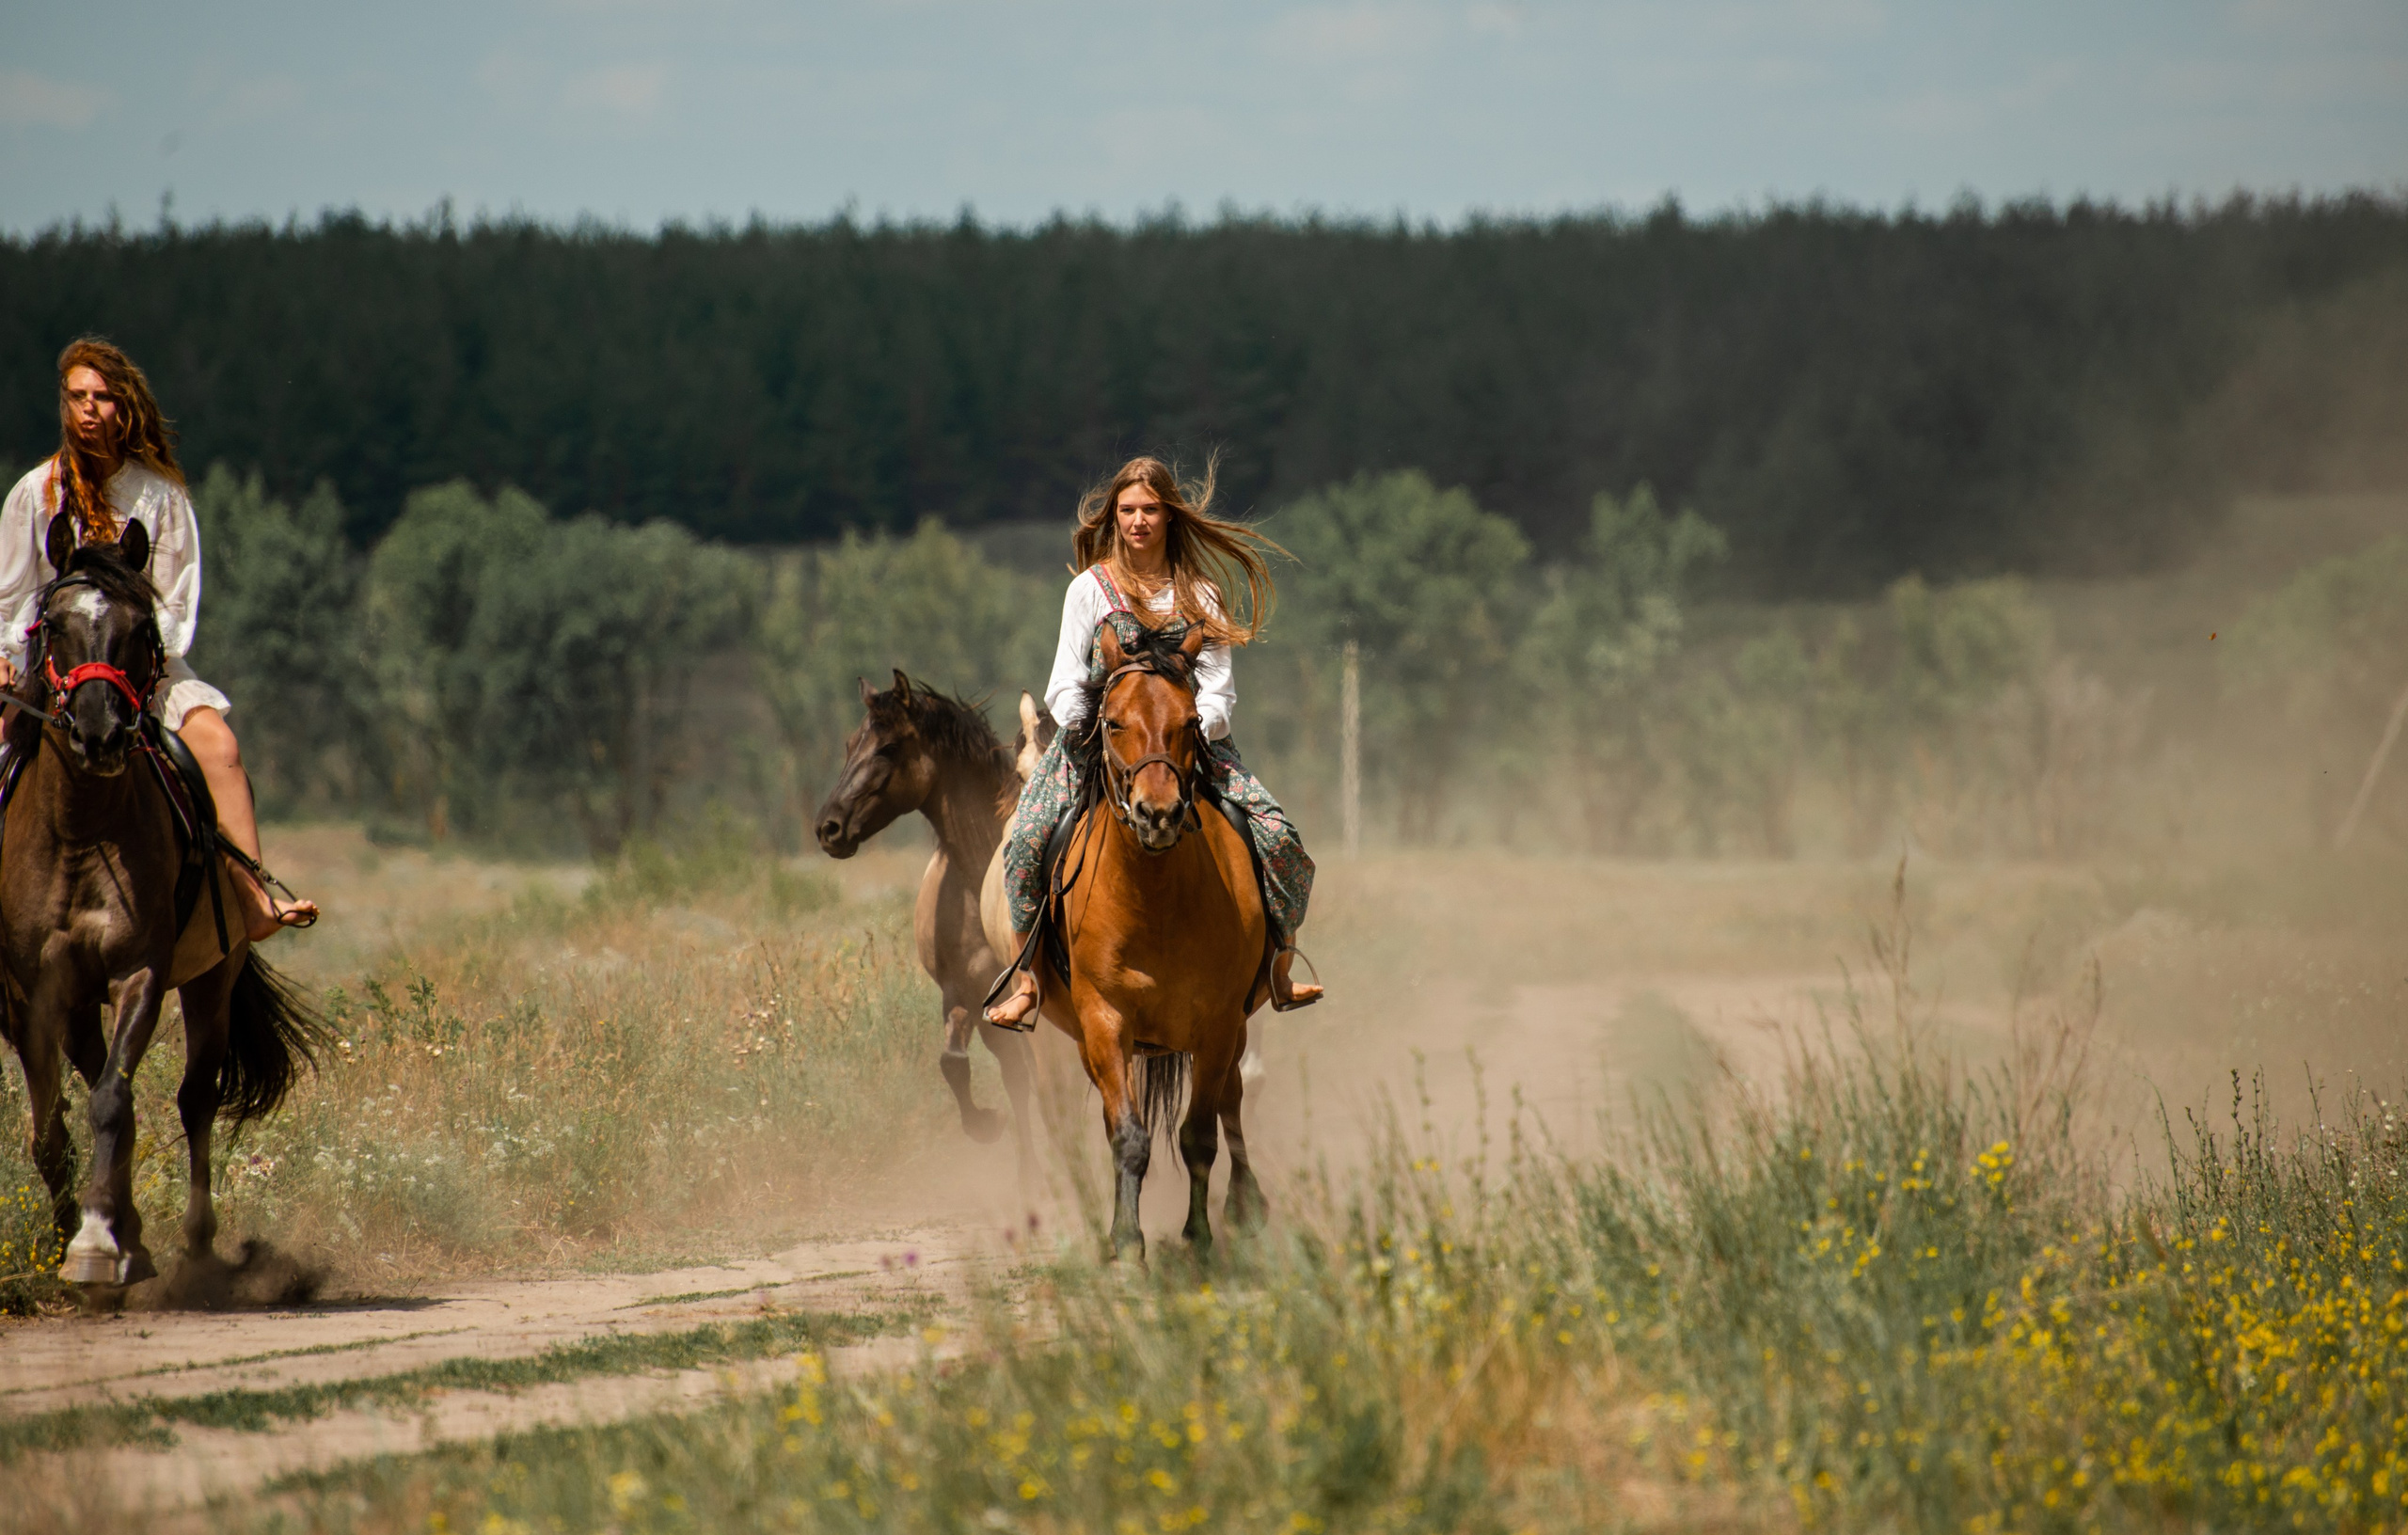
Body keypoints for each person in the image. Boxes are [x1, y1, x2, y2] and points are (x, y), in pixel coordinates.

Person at [0, 337, 318, 942]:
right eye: (77, 397)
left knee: (220, 749)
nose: (89, 409)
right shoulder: (32, 494)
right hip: (52, 674)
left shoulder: (161, 496)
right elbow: (9, 594)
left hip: (144, 667)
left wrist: (128, 663)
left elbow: (176, 604)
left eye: (102, 398)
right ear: (63, 405)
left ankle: (253, 902)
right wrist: (5, 658)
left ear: (124, 407)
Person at [985, 454, 1321, 1026]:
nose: (1138, 520)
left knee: (1281, 842)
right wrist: (1093, 723)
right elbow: (1063, 682)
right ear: (1113, 518)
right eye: (1127, 510)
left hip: (1188, 746)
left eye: (1149, 509)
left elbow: (1219, 693)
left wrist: (1185, 726)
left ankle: (1278, 973)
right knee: (1028, 842)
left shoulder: (1202, 595)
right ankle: (1028, 983)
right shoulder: (1088, 591)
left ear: (1169, 515)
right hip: (1098, 744)